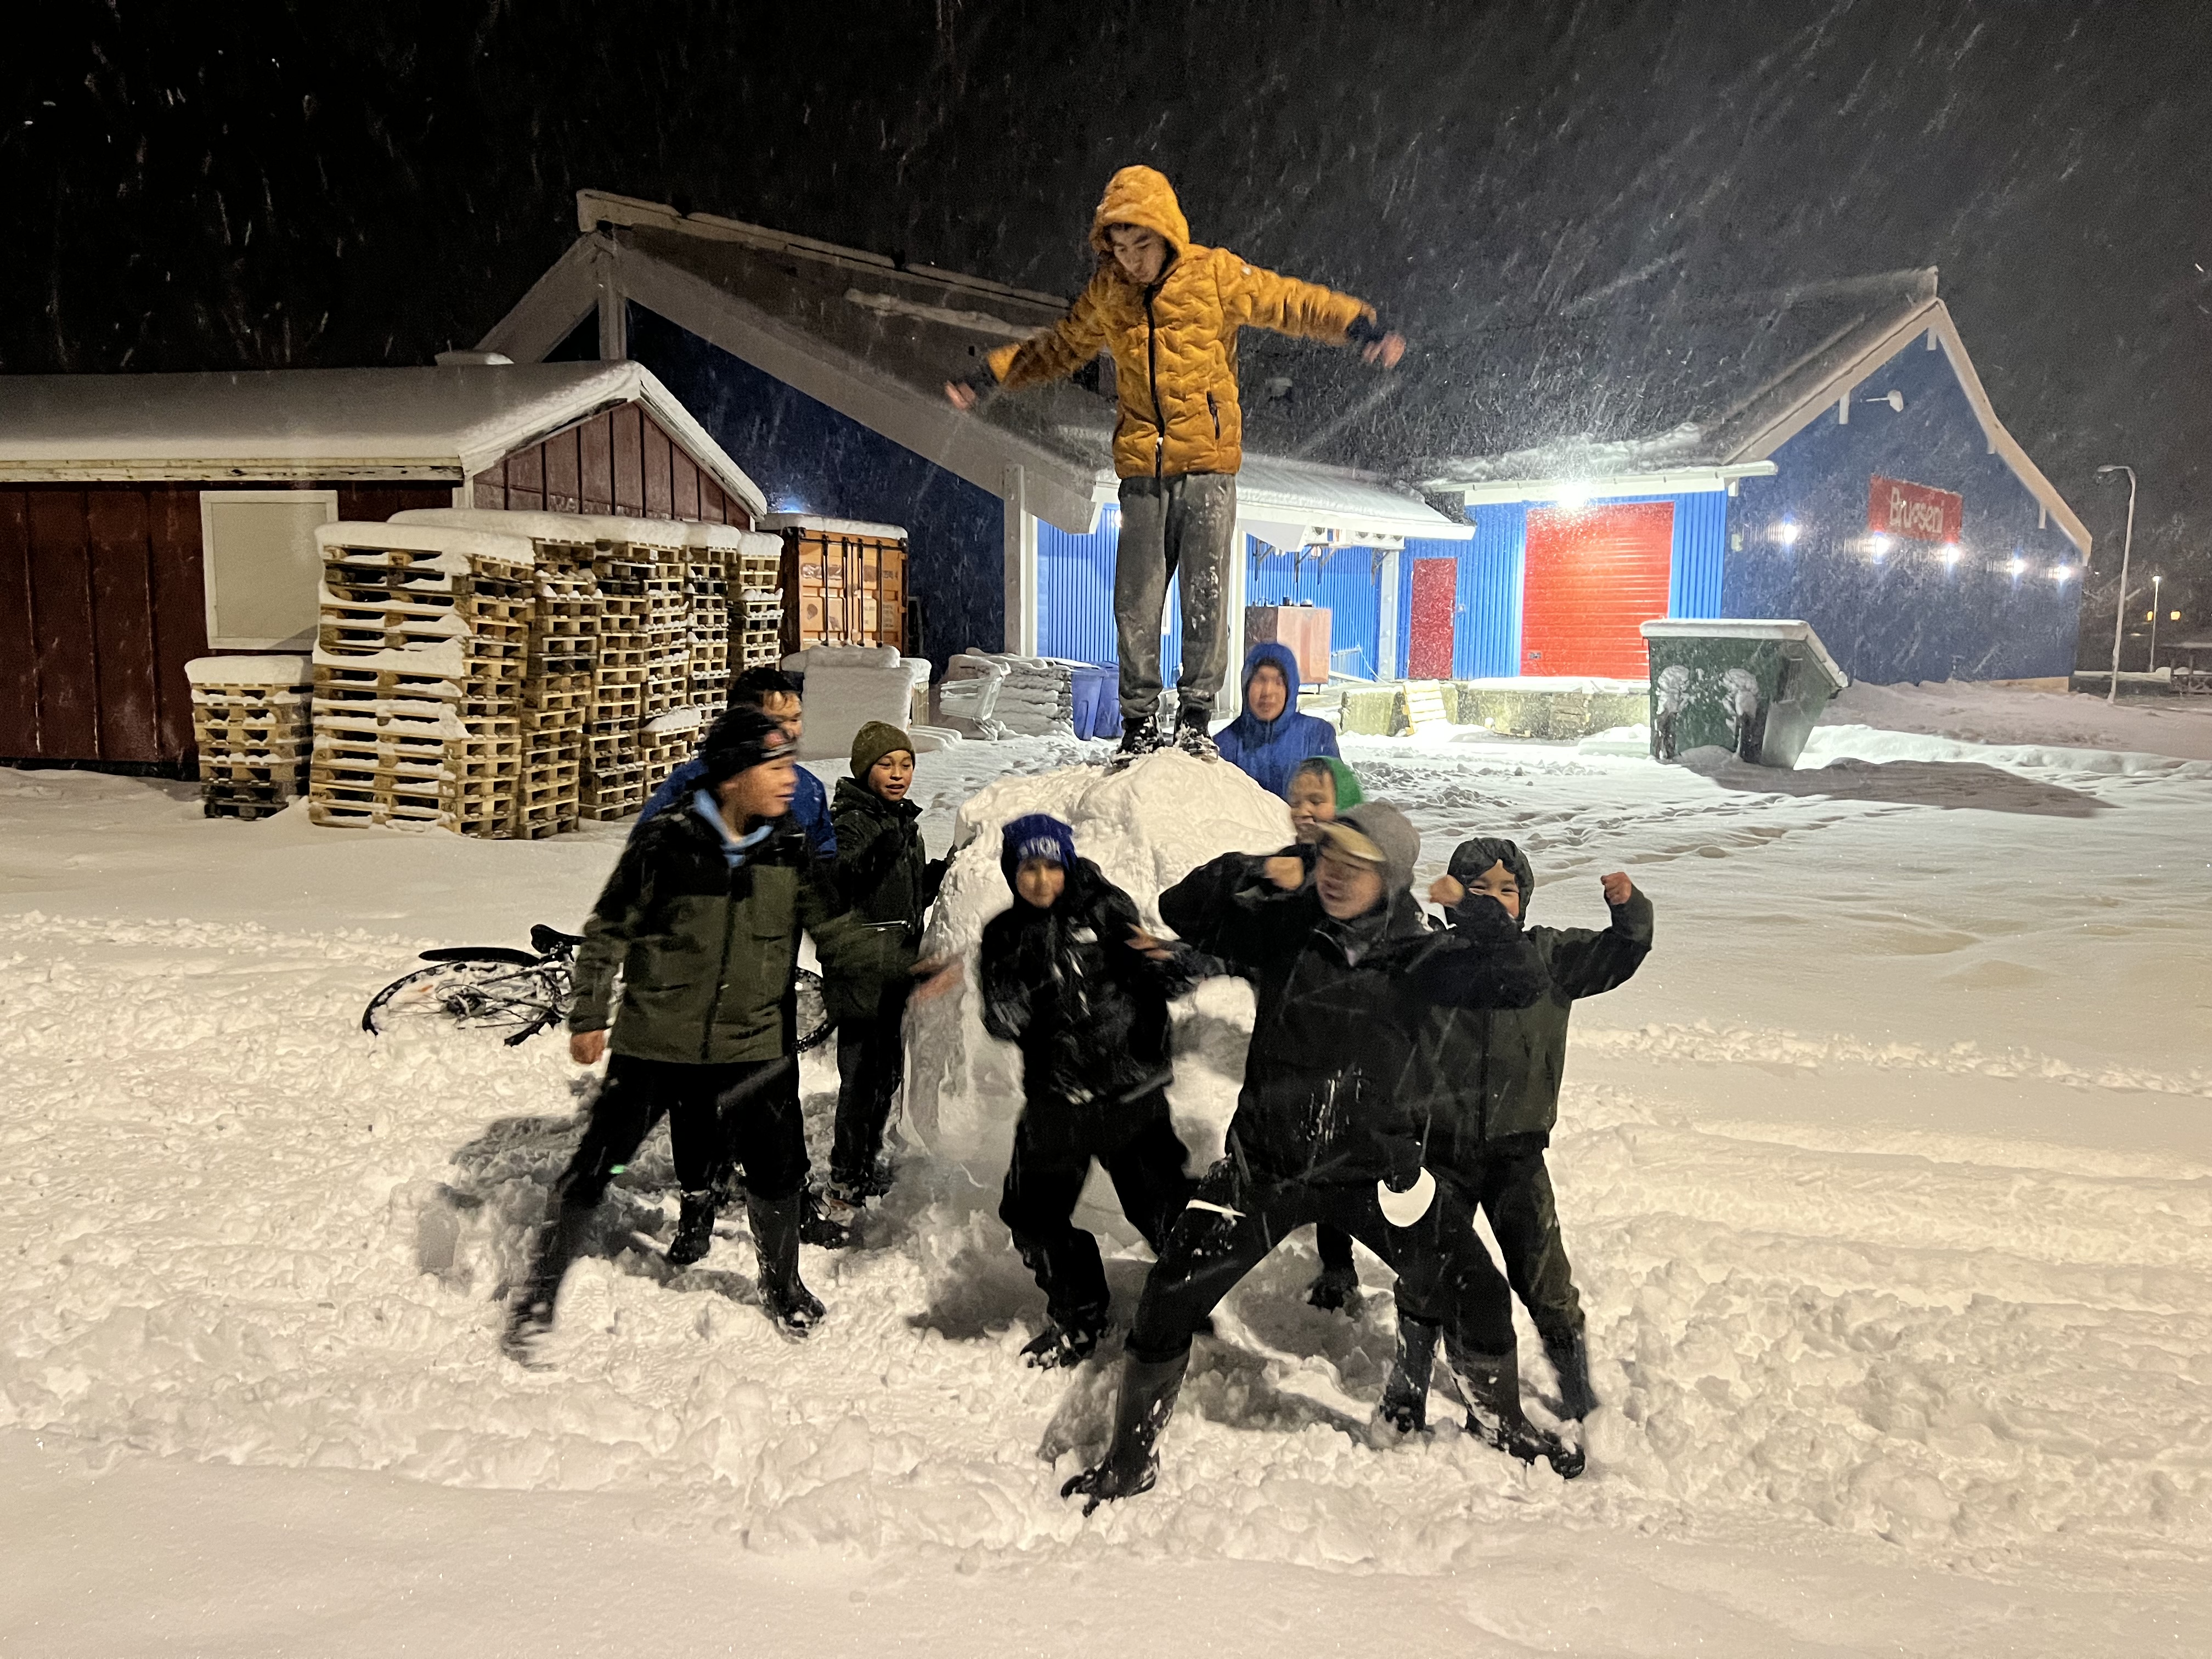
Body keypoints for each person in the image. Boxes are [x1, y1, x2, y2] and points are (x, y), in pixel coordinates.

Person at [1060, 805, 1581, 1515]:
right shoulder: (1286, 929)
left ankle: (1504, 1424)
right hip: (1264, 1169)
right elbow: (1182, 908)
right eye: (1328, 856)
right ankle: (1128, 1458)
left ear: (1391, 879)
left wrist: (1484, 913)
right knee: (1169, 1295)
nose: (1335, 874)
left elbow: (1518, 981)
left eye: (1356, 864)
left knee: (1480, 1293)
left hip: (1378, 1178)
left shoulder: (1422, 956)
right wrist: (1257, 870)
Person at [945, 165, 1406, 761]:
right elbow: (1058, 347)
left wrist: (1356, 322)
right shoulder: (1109, 295)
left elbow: (1288, 300)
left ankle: (1194, 716)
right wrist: (992, 374)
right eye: (1120, 249)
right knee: (1135, 601)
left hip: (1208, 464)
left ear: (1167, 234)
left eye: (1143, 245)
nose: (1133, 261)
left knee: (1204, 594)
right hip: (1141, 465)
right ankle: (1138, 721)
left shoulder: (1214, 275)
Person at [504, 707, 912, 1360]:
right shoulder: (667, 842)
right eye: (774, 767)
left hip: (753, 1047)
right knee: (599, 1165)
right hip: (654, 1045)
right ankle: (539, 1294)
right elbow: (609, 928)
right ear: (732, 775)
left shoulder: (787, 847)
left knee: (777, 1178)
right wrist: (588, 1016)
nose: (789, 780)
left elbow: (834, 930)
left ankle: (783, 1285)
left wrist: (908, 968)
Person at [1374, 838, 1653, 1436]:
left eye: (1508, 891)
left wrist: (1629, 910)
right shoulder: (1435, 961)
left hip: (1518, 1154)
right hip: (1441, 1153)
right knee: (1427, 1272)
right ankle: (1409, 1379)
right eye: (1479, 892)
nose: (1496, 903)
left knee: (1544, 1278)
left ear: (1524, 901)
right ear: (1452, 901)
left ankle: (1576, 1387)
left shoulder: (1548, 957)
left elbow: (1622, 952)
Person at [979, 814, 1200, 1368]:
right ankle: (1078, 1312)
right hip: (1057, 1100)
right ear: (1013, 872)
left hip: (1131, 1096)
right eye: (1029, 867)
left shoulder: (1105, 911)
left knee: (1164, 1213)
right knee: (1032, 1217)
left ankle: (1187, 1307)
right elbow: (1001, 1015)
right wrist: (1009, 1005)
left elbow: (1152, 969)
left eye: (1052, 865)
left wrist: (1172, 966)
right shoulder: (1004, 935)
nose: (1041, 879)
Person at [819, 721, 947, 1229]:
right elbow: (842, 880)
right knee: (861, 1079)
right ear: (863, 770)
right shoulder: (851, 822)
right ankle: (846, 1177)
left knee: (884, 1075)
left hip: (895, 967)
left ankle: (865, 1166)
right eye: (886, 765)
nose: (898, 775)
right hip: (860, 972)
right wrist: (881, 847)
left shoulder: (898, 823)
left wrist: (942, 871)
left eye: (906, 764)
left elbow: (907, 894)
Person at [635, 666, 834, 859]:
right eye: (779, 721)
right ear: (741, 721)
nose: (793, 731)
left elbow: (824, 857)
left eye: (796, 719)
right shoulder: (687, 787)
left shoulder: (809, 788)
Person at [1213, 641, 1341, 797]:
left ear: (1291, 689)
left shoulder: (1316, 737)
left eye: (1279, 682)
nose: (1268, 692)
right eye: (1260, 680)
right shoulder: (1223, 746)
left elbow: (1339, 802)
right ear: (1246, 685)